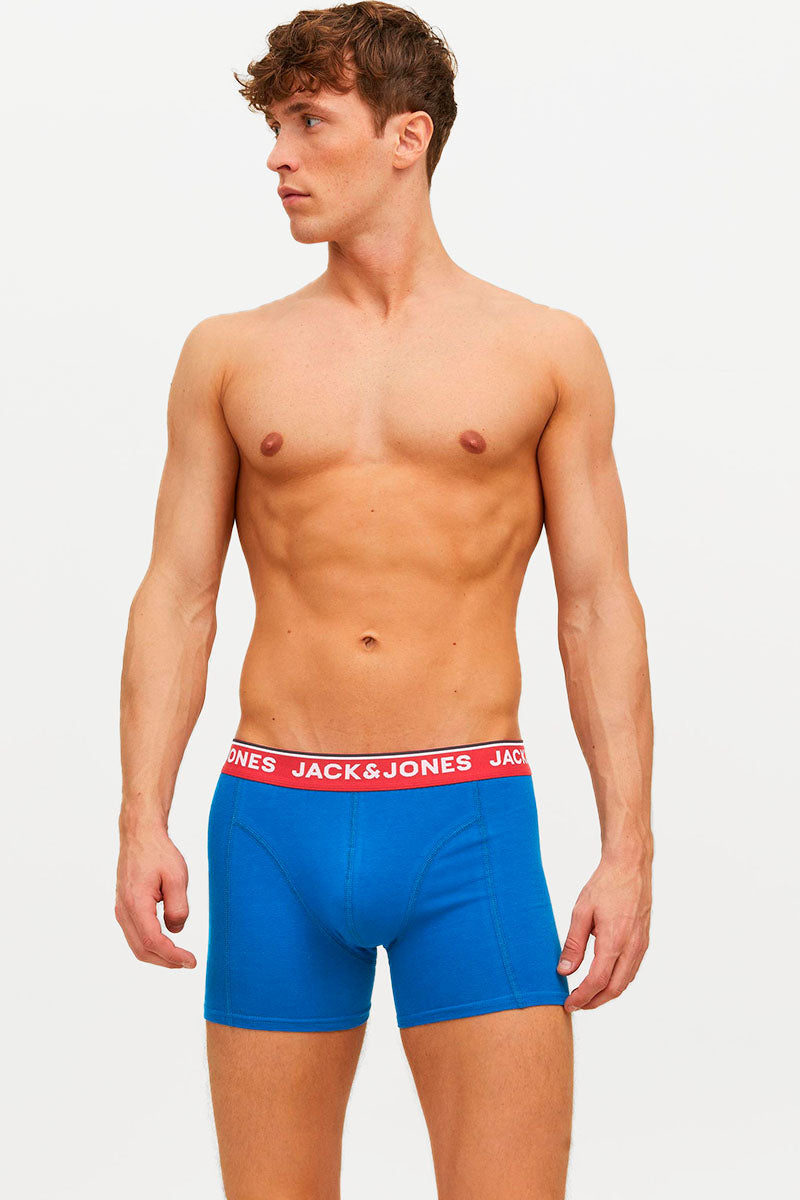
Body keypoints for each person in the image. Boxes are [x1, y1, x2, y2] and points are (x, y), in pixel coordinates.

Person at [114, 3, 653, 1197]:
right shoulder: (228, 354)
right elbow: (178, 595)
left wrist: (627, 850)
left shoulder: (543, 351)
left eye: (309, 123)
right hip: (272, 822)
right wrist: (139, 815)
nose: (277, 157)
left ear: (406, 137)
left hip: (465, 822)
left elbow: (595, 608)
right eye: (272, 126)